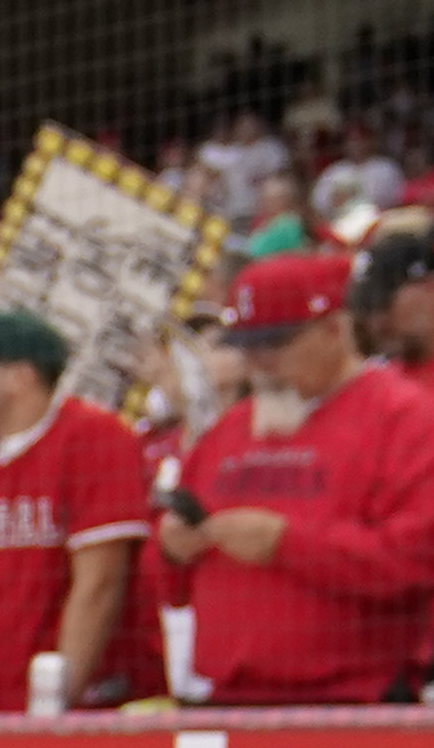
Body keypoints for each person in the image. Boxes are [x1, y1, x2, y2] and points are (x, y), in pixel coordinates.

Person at [164, 248, 434, 704]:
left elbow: (414, 562)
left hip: (354, 700)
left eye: (275, 344)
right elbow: (169, 576)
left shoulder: (405, 418)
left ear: (334, 329)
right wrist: (173, 547)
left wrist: (286, 544)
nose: (257, 362)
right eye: (246, 346)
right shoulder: (230, 429)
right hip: (231, 696)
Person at [0, 305, 151, 711]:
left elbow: (100, 583)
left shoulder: (94, 435)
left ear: (20, 377)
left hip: (98, 702)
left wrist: (55, 703)